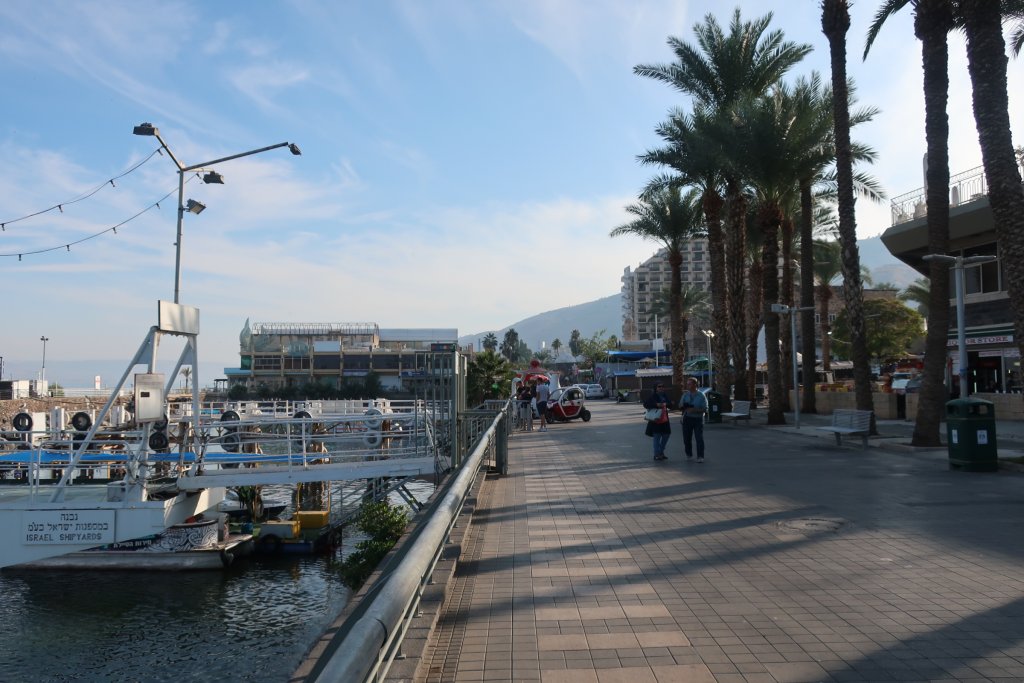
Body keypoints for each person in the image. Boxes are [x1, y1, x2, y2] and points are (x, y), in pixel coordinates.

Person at [679, 377, 708, 462]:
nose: (688, 385)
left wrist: (695, 409)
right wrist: (683, 407)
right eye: (687, 384)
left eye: (690, 384)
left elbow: (705, 409)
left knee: (699, 438)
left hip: (698, 419)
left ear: (695, 384)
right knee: (686, 439)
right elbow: (680, 405)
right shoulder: (685, 395)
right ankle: (689, 454)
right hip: (687, 419)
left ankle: (700, 457)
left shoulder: (701, 395)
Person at [643, 382, 672, 461]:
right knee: (657, 437)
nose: (661, 388)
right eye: (659, 386)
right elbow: (645, 404)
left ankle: (660, 452)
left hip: (665, 420)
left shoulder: (664, 395)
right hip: (656, 420)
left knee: (666, 435)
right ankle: (657, 455)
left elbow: (669, 404)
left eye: (662, 386)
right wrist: (656, 405)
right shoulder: (653, 396)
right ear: (656, 388)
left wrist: (669, 404)